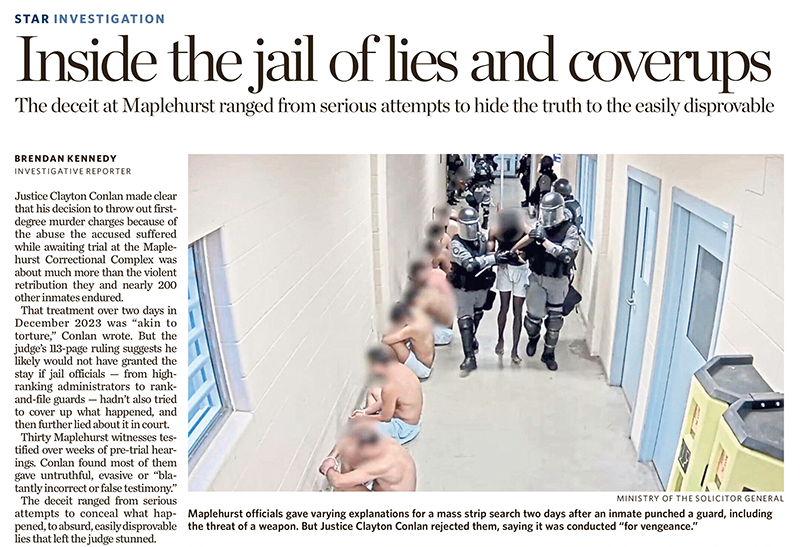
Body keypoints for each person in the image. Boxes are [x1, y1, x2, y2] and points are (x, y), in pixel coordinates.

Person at [512, 192, 581, 371]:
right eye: (545, 212)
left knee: (554, 321)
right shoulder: (539, 225)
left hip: (558, 280)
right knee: (533, 319)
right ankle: (533, 338)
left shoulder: (570, 230)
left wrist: (545, 241)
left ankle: (548, 353)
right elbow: (527, 248)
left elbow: (565, 255)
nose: (548, 217)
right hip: (537, 276)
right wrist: (517, 251)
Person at [449, 206, 516, 373]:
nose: (471, 229)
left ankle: (471, 337)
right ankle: (469, 357)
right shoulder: (456, 243)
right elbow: (470, 264)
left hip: (481, 286)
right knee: (465, 319)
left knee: (478, 314)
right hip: (464, 288)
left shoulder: (482, 238)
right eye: (467, 225)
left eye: (474, 224)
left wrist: (506, 255)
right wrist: (493, 258)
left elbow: (491, 252)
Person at [352, 346, 423, 446]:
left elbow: (386, 417)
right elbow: (391, 399)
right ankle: (370, 416)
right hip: (413, 418)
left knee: (359, 429)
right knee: (374, 390)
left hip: (404, 427)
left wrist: (363, 417)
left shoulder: (389, 387)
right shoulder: (401, 368)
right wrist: (365, 412)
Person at [319, 422, 417, 492]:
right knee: (347, 458)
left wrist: (328, 469)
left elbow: (338, 481)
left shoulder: (381, 464)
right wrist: (331, 457)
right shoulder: (384, 440)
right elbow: (349, 437)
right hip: (384, 489)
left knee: (344, 486)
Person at [488, 209, 529, 364]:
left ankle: (515, 349)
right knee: (504, 308)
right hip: (505, 269)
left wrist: (514, 250)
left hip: (520, 269)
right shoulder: (496, 229)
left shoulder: (523, 228)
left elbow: (532, 235)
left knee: (517, 311)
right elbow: (489, 250)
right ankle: (500, 339)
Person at [381, 301, 435, 379]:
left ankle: (393, 369)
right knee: (402, 340)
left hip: (423, 369)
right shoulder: (421, 319)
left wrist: (391, 330)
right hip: (427, 363)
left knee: (395, 343)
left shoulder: (412, 328)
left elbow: (385, 340)